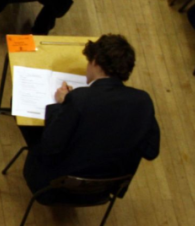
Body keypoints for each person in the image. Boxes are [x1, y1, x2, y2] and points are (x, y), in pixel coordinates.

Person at [21, 35, 160, 195]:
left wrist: (61, 106)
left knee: (32, 127)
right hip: (104, 190)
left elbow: (49, 146)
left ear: (94, 61)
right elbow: (151, 151)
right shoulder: (143, 101)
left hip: (57, 188)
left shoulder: (80, 99)